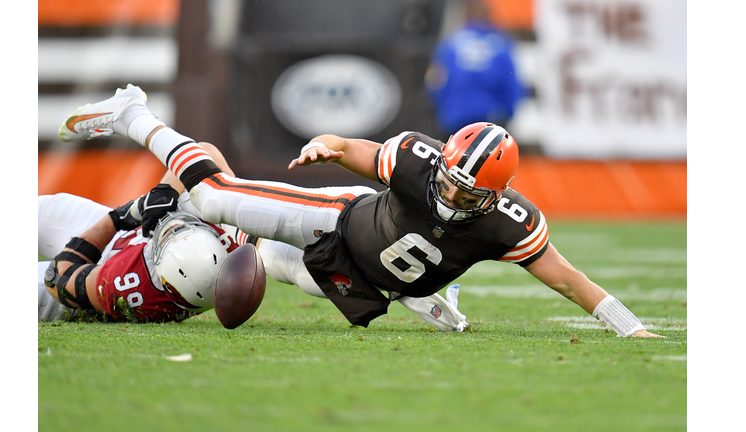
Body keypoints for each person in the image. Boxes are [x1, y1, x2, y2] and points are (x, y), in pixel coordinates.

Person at [57, 84, 661, 337]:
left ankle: (426, 292)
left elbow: (570, 281)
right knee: (215, 197)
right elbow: (354, 150)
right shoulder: (419, 161)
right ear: (444, 161)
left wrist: (628, 327)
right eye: (449, 180)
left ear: (495, 197)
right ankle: (136, 113)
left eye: (468, 193)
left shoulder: (510, 223)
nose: (451, 195)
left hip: (360, 280)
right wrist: (328, 145)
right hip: (338, 219)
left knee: (268, 259)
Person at [38, 144, 470, 330]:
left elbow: (63, 276)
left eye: (175, 228)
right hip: (135, 247)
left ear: (163, 275)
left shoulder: (128, 288)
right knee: (44, 208)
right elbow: (206, 158)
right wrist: (166, 193)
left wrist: (119, 218)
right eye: (182, 228)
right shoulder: (217, 249)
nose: (175, 222)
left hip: (94, 265)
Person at [425, 0, 525, 134]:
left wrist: (443, 112)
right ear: (489, 16)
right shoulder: (501, 44)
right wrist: (508, 114)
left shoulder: (450, 44)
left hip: (455, 119)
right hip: (492, 119)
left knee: (456, 154)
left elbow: (434, 83)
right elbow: (513, 84)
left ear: (465, 15)